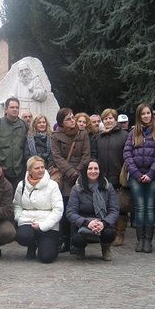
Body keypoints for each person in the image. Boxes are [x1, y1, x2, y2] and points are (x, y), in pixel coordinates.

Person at [123, 103, 155, 253]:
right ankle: (140, 240)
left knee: (149, 208)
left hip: (152, 176)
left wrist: (150, 174)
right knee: (139, 208)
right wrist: (136, 173)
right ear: (139, 116)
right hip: (136, 176)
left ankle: (148, 241)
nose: (146, 116)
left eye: (148, 113)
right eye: (143, 114)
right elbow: (127, 154)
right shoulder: (133, 133)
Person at [51, 107, 91, 253]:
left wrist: (78, 171)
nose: (72, 120)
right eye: (68, 118)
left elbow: (86, 154)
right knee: (65, 209)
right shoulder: (55, 136)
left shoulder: (83, 133)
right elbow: (56, 157)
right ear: (61, 122)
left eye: (73, 117)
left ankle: (76, 241)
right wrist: (70, 172)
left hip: (79, 175)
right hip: (64, 176)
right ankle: (64, 240)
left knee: (77, 209)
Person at [13, 156, 64, 263]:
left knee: (46, 258)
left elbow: (58, 209)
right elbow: (16, 205)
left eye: (42, 167)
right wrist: (19, 218)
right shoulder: (21, 185)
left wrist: (42, 225)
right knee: (22, 236)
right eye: (37, 168)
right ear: (29, 170)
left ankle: (51, 244)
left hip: (48, 224)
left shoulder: (52, 185)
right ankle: (32, 245)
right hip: (27, 221)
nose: (41, 170)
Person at [66, 160, 119, 261]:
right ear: (85, 171)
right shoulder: (76, 188)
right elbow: (70, 212)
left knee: (109, 233)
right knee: (76, 238)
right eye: (90, 168)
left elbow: (114, 210)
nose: (93, 171)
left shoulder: (108, 187)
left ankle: (106, 248)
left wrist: (103, 223)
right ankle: (80, 249)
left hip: (102, 220)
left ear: (100, 170)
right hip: (82, 222)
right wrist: (87, 223)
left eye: (96, 168)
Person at [94, 108, 128, 246]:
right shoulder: (99, 137)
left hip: (118, 174)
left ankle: (120, 233)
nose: (108, 121)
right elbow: (95, 155)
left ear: (115, 119)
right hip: (102, 176)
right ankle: (108, 232)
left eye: (110, 118)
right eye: (105, 119)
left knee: (120, 206)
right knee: (105, 206)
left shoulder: (124, 135)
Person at [0, 97, 28, 192]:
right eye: (12, 107)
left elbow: (25, 148)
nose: (15, 109)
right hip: (2, 171)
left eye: (17, 107)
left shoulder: (24, 126)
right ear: (6, 109)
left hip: (19, 171)